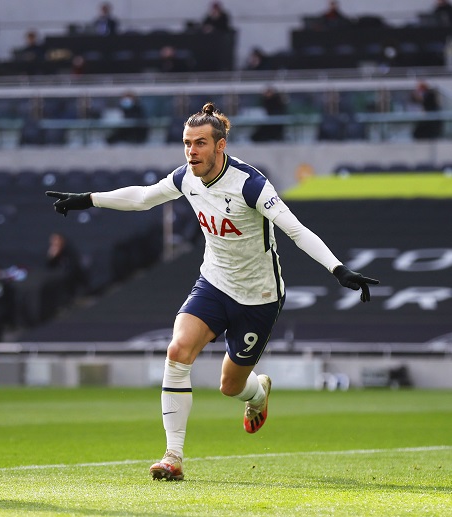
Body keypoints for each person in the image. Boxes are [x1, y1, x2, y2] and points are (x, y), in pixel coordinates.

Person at [46, 102, 379, 481]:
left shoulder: (251, 184)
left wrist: (338, 269)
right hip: (214, 283)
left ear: (220, 146)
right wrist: (89, 199)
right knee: (177, 351)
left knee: (230, 386)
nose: (192, 151)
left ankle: (258, 392)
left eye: (200, 143)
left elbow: (296, 230)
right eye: (187, 143)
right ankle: (173, 456)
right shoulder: (185, 178)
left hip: (259, 298)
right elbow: (142, 198)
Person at [45, 232, 85, 299]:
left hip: (70, 278)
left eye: (56, 240)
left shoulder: (69, 252)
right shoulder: (52, 251)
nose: (54, 243)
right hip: (56, 276)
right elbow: (49, 267)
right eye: (53, 241)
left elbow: (72, 268)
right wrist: (51, 257)